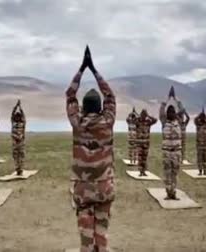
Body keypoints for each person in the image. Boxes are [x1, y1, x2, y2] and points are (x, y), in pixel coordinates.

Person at [66, 46, 115, 252]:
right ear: (100, 107)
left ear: (83, 107)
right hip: (104, 186)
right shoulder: (107, 122)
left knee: (86, 237)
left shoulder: (77, 123)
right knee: (101, 233)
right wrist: (95, 71)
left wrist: (82, 69)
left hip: (83, 189)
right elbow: (110, 96)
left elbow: (70, 94)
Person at [159, 87, 182, 200]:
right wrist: (168, 98)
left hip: (177, 152)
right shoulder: (164, 122)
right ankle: (169, 193)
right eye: (169, 111)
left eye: (173, 111)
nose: (171, 113)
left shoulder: (179, 122)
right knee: (167, 174)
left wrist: (176, 99)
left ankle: (174, 192)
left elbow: (182, 109)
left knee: (175, 174)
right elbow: (162, 108)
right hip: (167, 153)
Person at [135, 109, 157, 176]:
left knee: (144, 158)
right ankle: (140, 171)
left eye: (144, 114)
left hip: (146, 143)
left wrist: (148, 115)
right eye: (143, 114)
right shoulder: (138, 121)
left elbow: (155, 120)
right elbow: (132, 121)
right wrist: (138, 116)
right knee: (140, 157)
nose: (143, 116)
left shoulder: (148, 122)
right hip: (139, 142)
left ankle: (143, 171)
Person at [11, 99, 26, 176]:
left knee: (21, 155)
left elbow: (23, 116)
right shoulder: (13, 122)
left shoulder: (22, 123)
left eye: (18, 116)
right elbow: (12, 114)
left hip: (21, 142)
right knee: (16, 156)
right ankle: (18, 169)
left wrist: (20, 107)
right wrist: (16, 106)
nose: (16, 117)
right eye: (16, 116)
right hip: (15, 142)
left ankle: (21, 169)